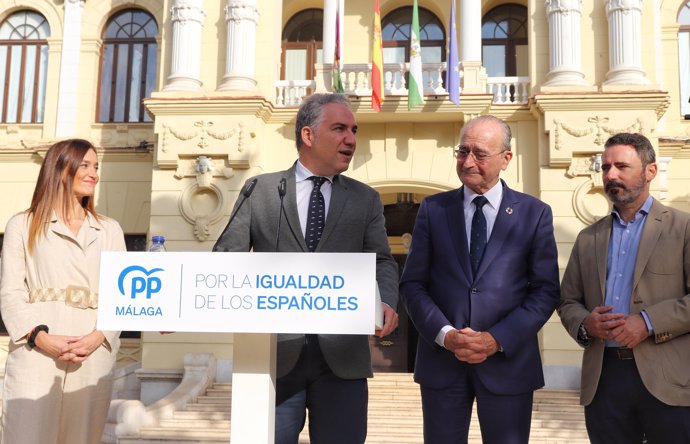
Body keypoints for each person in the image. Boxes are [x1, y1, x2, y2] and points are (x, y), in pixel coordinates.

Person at [213, 93, 399, 444]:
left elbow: (382, 260)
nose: (351, 139)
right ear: (308, 135)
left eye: (354, 130)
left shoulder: (365, 198)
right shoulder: (262, 190)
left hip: (343, 361)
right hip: (273, 357)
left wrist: (386, 299)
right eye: (340, 128)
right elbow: (227, 257)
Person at [400, 115, 560, 444]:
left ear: (506, 158)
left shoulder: (534, 213)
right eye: (462, 151)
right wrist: (446, 335)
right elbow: (413, 285)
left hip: (508, 365)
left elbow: (544, 292)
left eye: (480, 153)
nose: (468, 161)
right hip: (443, 364)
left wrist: (495, 338)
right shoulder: (433, 209)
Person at [558, 132, 690, 443]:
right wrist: (586, 324)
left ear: (650, 171)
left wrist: (647, 323)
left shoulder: (683, 228)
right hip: (604, 382)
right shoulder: (588, 238)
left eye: (621, 166)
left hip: (668, 380)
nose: (611, 175)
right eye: (605, 167)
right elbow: (567, 301)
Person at [0, 139, 126, 444]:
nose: (93, 173)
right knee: (25, 436)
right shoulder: (23, 224)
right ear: (60, 169)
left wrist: (98, 338)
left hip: (93, 353)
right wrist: (40, 338)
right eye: (84, 165)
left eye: (96, 167)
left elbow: (122, 296)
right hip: (36, 351)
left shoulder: (110, 230)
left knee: (82, 438)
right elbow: (11, 292)